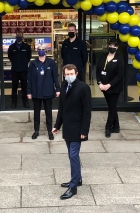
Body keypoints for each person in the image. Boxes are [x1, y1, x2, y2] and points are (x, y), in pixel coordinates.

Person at [52, 64, 91, 200]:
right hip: (68, 127)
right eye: (66, 74)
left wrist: (84, 130)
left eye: (71, 74)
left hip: (78, 128)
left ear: (76, 73)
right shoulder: (64, 86)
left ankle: (73, 186)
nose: (69, 76)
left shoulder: (83, 88)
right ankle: (78, 179)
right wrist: (57, 125)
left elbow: (87, 111)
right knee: (71, 155)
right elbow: (61, 107)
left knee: (73, 155)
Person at [27, 44, 60, 140]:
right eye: (39, 49)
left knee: (48, 113)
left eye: (43, 49)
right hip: (36, 92)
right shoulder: (32, 64)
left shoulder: (51, 62)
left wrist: (58, 88)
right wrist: (29, 91)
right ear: (37, 51)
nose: (41, 51)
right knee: (36, 113)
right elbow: (29, 79)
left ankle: (50, 131)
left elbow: (55, 77)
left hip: (48, 92)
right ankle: (36, 131)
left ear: (46, 51)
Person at [96, 38, 124, 138]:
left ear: (117, 47)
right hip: (103, 87)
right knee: (112, 107)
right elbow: (98, 70)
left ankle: (108, 128)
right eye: (110, 45)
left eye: (114, 45)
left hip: (114, 88)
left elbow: (119, 75)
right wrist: (99, 83)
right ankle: (116, 126)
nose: (112, 47)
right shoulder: (103, 56)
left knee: (111, 108)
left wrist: (109, 85)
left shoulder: (119, 58)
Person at [8, 31, 31, 109]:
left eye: (20, 36)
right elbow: (10, 57)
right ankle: (13, 102)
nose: (19, 37)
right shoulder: (11, 47)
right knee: (14, 87)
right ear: (16, 37)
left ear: (22, 37)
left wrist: (23, 63)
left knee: (24, 87)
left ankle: (25, 101)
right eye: (18, 36)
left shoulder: (27, 47)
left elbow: (29, 57)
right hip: (15, 70)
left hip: (24, 70)